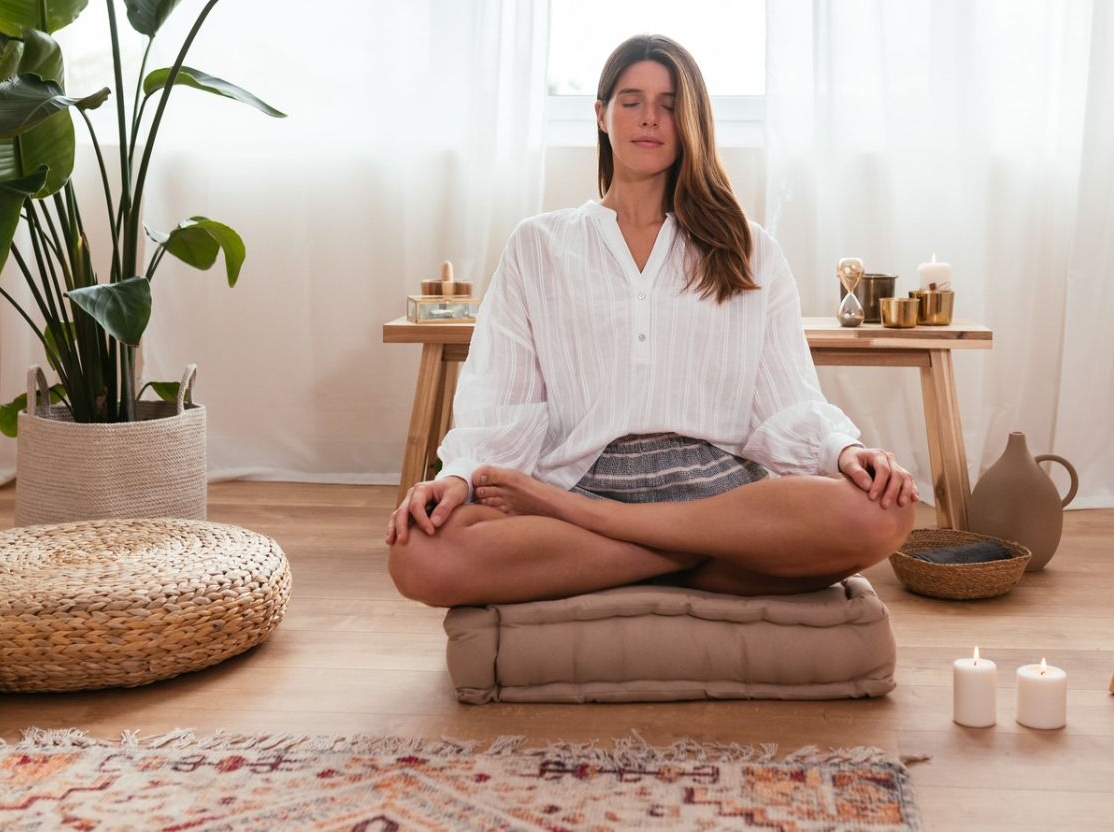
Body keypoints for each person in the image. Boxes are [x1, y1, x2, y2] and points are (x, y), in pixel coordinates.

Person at [387, 34, 916, 607]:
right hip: (585, 476)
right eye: (632, 100)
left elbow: (785, 398)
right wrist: (458, 477)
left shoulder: (749, 248)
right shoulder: (538, 244)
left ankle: (607, 537)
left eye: (669, 104)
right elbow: (502, 397)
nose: (650, 118)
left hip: (719, 496)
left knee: (887, 511)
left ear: (691, 121)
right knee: (419, 554)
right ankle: (704, 561)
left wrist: (843, 451)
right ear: (601, 115)